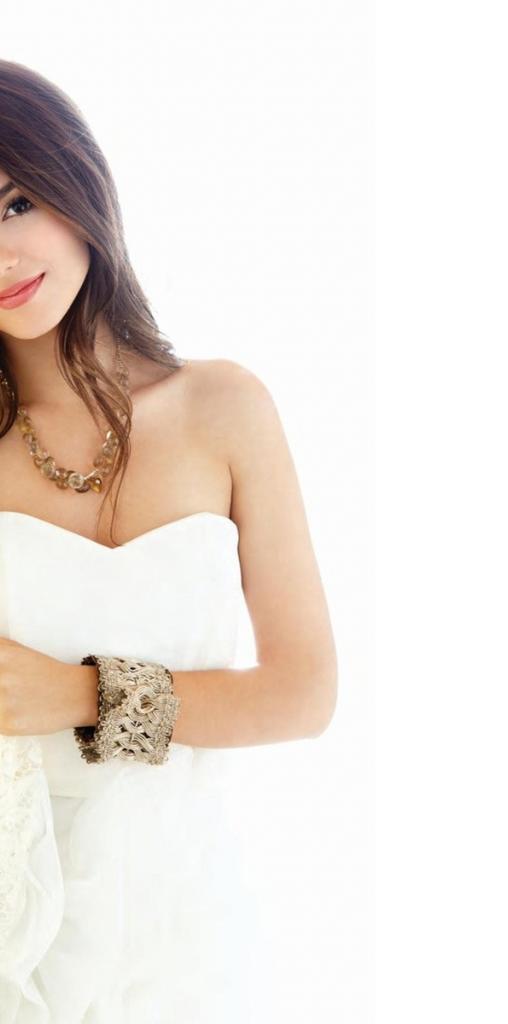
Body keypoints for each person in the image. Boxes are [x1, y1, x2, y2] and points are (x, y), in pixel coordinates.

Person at [0, 60, 339, 1022]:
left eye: (16, 203)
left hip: (180, 923)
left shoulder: (223, 407)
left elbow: (303, 693)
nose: (3, 256)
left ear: (78, 183)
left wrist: (82, 695)